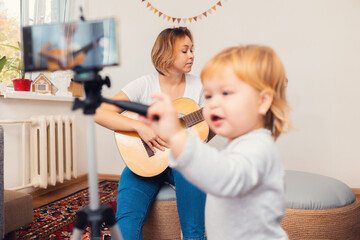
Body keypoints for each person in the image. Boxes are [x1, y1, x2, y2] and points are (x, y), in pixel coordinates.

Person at [142, 45, 291, 239]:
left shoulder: (258, 148)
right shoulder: (239, 146)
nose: (212, 103)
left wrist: (178, 135)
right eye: (209, 96)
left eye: (226, 93)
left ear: (262, 102)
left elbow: (224, 177)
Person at [94, 27, 207, 240]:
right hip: (146, 161)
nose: (191, 55)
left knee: (194, 231)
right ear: (167, 52)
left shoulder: (200, 87)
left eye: (192, 50)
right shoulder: (145, 84)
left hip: (184, 162)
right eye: (185, 50)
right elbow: (100, 112)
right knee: (125, 225)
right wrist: (140, 127)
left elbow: (206, 132)